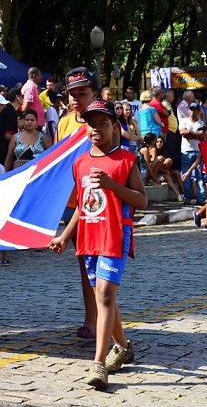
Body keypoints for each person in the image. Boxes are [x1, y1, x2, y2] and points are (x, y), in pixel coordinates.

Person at [48, 99, 147, 389]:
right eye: (92, 123)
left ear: (114, 127)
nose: (96, 128)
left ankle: (98, 363)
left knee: (104, 295)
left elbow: (141, 199)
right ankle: (123, 347)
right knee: (107, 301)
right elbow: (82, 204)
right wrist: (65, 236)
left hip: (115, 236)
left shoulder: (126, 160)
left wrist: (112, 185)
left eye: (103, 123)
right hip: (88, 238)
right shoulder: (79, 163)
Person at [55, 66, 100, 340]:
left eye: (81, 94)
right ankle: (91, 318)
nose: (75, 100)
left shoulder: (103, 120)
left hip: (97, 200)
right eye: (71, 94)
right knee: (84, 262)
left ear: (94, 93)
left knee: (98, 263)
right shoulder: (64, 122)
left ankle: (101, 320)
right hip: (72, 201)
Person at [179, 102, 206, 206]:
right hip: (186, 151)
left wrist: (190, 133)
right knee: (186, 175)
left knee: (199, 175)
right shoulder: (183, 121)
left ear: (198, 111)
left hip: (199, 151)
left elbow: (203, 137)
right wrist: (197, 135)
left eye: (194, 110)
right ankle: (187, 197)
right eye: (191, 109)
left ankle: (201, 197)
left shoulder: (201, 123)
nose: (192, 112)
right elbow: (183, 133)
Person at [0, 87, 22, 165]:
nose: (23, 99)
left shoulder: (11, 111)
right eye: (22, 96)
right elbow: (8, 135)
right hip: (5, 150)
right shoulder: (9, 111)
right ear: (17, 97)